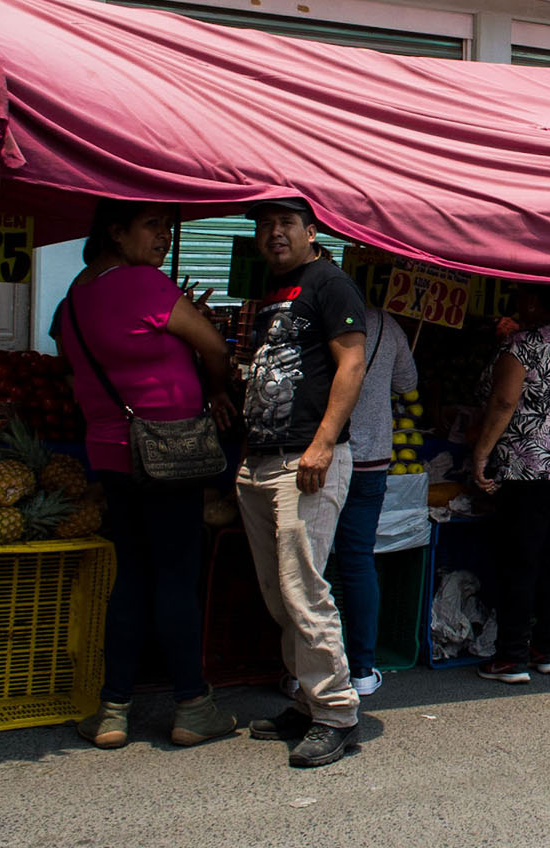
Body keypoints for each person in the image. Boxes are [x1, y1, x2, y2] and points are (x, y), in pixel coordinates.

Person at [60, 200, 238, 750]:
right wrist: (213, 388)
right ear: (116, 232)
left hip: (113, 456)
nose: (164, 237)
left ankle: (113, 710)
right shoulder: (143, 284)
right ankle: (193, 705)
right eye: (151, 226)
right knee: (176, 578)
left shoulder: (69, 305)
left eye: (167, 226)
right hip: (169, 454)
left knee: (131, 577)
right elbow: (213, 346)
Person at [237, 198, 368, 769]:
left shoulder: (330, 284)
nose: (273, 234)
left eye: (285, 223)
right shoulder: (272, 290)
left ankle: (337, 714)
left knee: (303, 589)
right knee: (277, 593)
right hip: (261, 458)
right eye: (265, 226)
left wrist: (321, 443)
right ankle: (306, 697)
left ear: (311, 231)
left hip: (307, 460)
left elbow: (352, 364)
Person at [470, 284, 550, 684]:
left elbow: (504, 402)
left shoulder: (522, 345)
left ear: (539, 302)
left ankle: (510, 657)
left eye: (526, 296)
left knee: (520, 560)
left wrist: (481, 454)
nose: (519, 303)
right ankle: (548, 648)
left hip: (529, 467)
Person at [331, 301, 419, 696]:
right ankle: (362, 670)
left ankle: (307, 668)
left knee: (312, 563)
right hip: (372, 457)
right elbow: (407, 382)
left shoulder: (321, 314)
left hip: (324, 452)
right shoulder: (387, 324)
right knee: (358, 560)